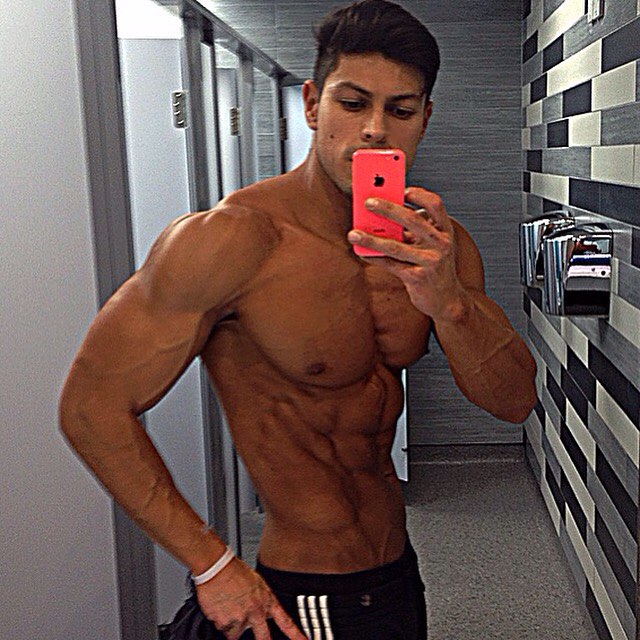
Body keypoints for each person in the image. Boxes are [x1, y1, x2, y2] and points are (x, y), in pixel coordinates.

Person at [59, 1, 537, 639]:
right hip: (302, 590)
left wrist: (448, 302)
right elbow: (89, 407)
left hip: (397, 578)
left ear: (425, 119)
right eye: (352, 103)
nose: (374, 131)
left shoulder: (439, 248)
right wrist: (211, 565)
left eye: (400, 111)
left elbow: (514, 401)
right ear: (313, 105)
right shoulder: (232, 241)